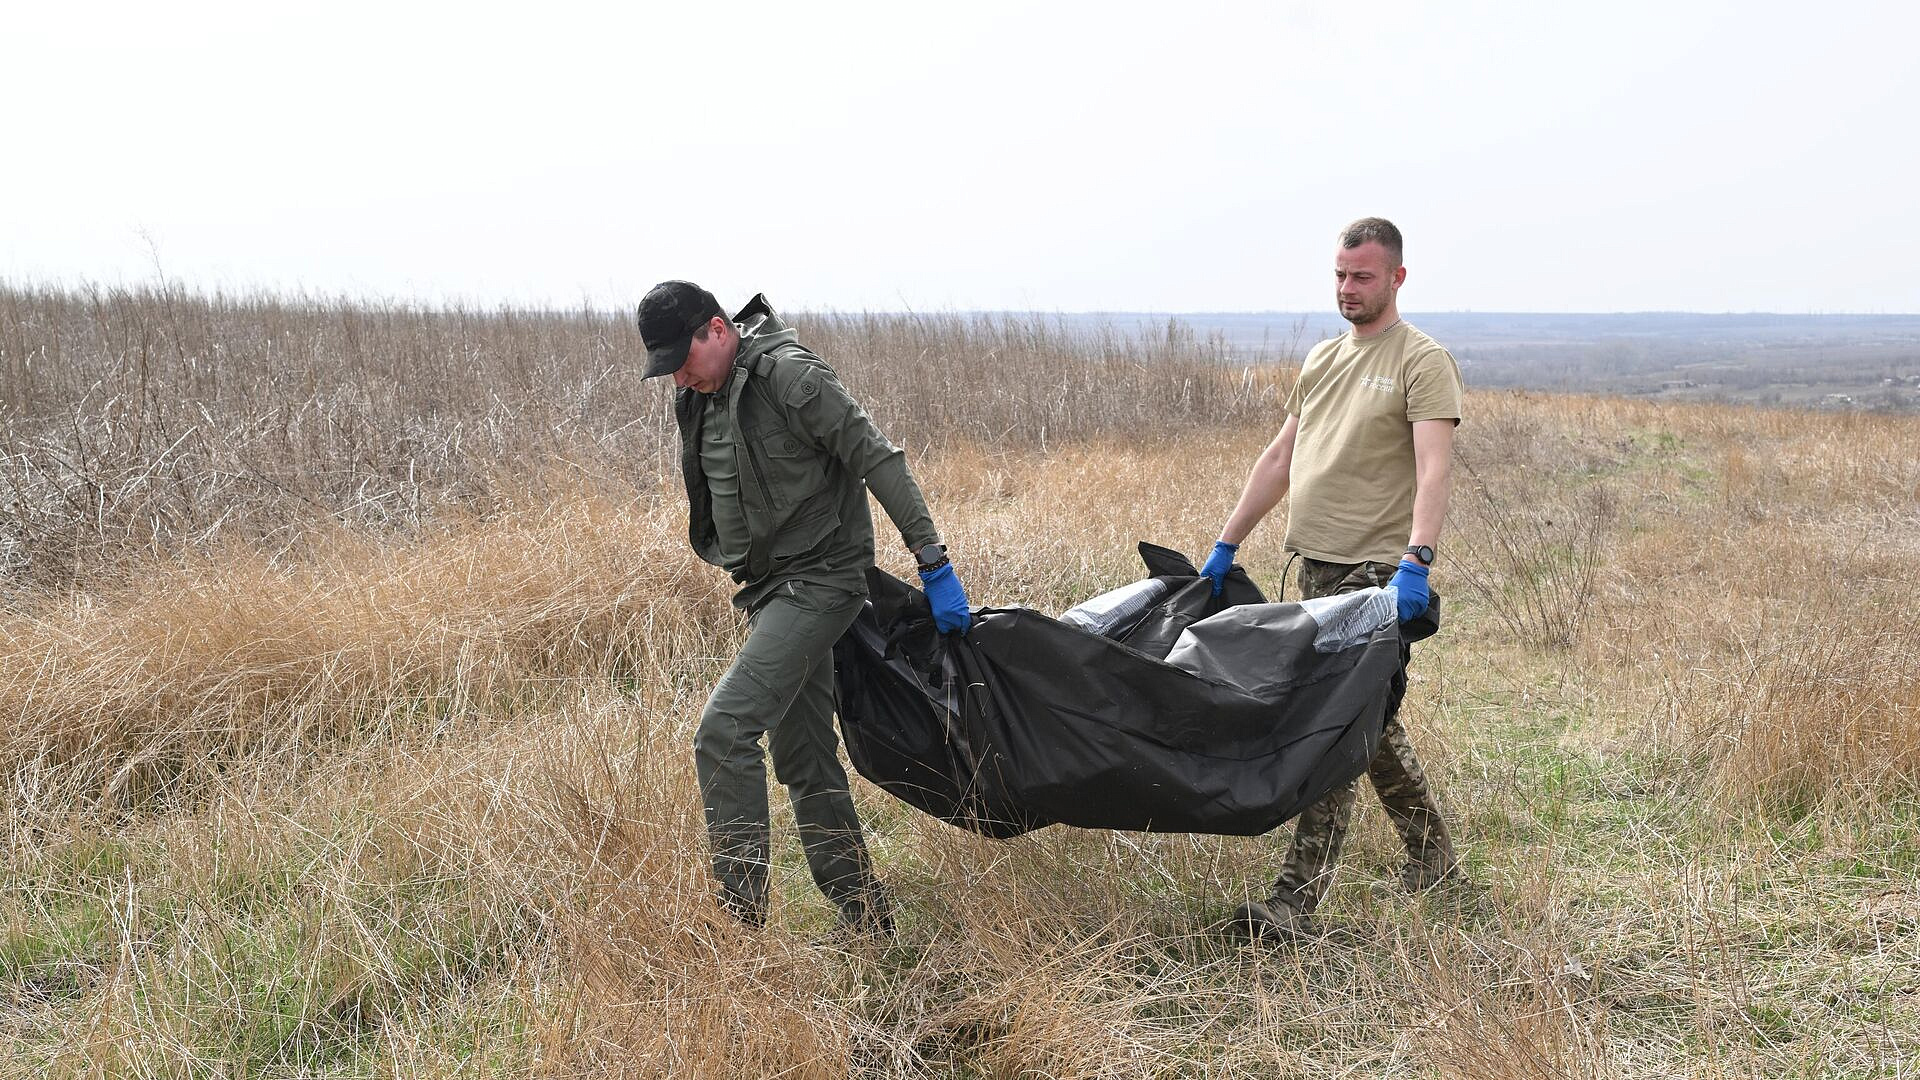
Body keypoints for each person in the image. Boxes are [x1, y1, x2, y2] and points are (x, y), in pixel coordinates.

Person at [637, 280, 972, 935]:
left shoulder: (790, 377)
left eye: (683, 355)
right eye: (668, 364)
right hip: (769, 592)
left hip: (821, 581)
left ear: (716, 329)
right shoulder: (702, 392)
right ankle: (868, 918)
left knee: (724, 731)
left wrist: (934, 563)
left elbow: (877, 458)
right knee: (806, 756)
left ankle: (739, 929)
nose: (677, 373)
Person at [1197, 218, 1464, 940]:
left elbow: (1435, 466)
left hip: (1379, 574)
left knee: (1333, 722)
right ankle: (1434, 857)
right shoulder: (1321, 359)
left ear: (1397, 278)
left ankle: (1294, 902)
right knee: (1367, 722)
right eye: (1341, 275)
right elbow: (1280, 457)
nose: (1349, 288)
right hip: (1316, 568)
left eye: (1363, 276)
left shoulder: (1421, 360)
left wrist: (1418, 560)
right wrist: (1226, 545)